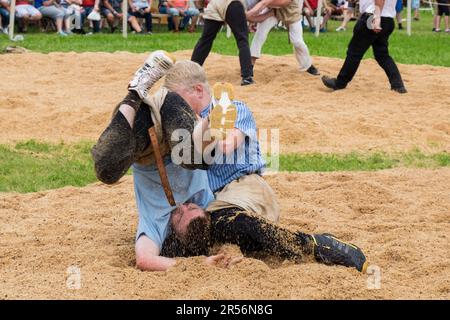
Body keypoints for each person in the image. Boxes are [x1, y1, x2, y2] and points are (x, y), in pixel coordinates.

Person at [92, 51, 224, 271]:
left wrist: (198, 266)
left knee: (106, 171)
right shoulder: (208, 203)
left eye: (180, 214)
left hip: (146, 141)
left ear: (172, 231)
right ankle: (211, 121)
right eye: (193, 207)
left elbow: (144, 260)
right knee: (194, 159)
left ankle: (135, 90)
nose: (185, 205)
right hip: (172, 114)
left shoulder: (156, 225)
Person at [321, 0, 407, 94]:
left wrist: (376, 18)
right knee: (382, 55)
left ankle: (340, 83)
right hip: (388, 19)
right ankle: (398, 85)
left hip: (373, 17)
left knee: (354, 53)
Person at [246, 0, 320, 76]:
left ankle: (307, 65)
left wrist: (257, 7)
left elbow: (281, 3)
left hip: (292, 12)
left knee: (298, 41)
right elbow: (258, 13)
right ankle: (249, 66)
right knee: (260, 33)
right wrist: (248, 16)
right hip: (274, 10)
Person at [191, 0, 255, 86]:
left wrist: (201, 10)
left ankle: (191, 72)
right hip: (233, 4)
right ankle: (247, 77)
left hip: (214, 4)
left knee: (205, 41)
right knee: (242, 39)